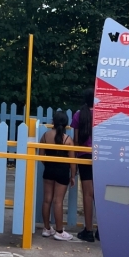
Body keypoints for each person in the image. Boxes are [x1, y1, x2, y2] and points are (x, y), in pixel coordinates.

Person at [39, 111, 75, 241]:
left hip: (49, 169)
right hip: (62, 171)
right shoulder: (68, 140)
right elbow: (72, 161)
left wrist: (48, 164)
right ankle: (59, 231)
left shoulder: (45, 136)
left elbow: (41, 156)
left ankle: (47, 228)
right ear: (66, 124)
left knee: (47, 199)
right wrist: (72, 175)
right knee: (58, 201)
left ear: (52, 122)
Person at [71, 101, 96, 242]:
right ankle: (102, 230)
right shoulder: (102, 114)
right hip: (101, 155)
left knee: (87, 194)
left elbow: (76, 139)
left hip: (84, 154)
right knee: (100, 194)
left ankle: (88, 230)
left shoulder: (79, 115)